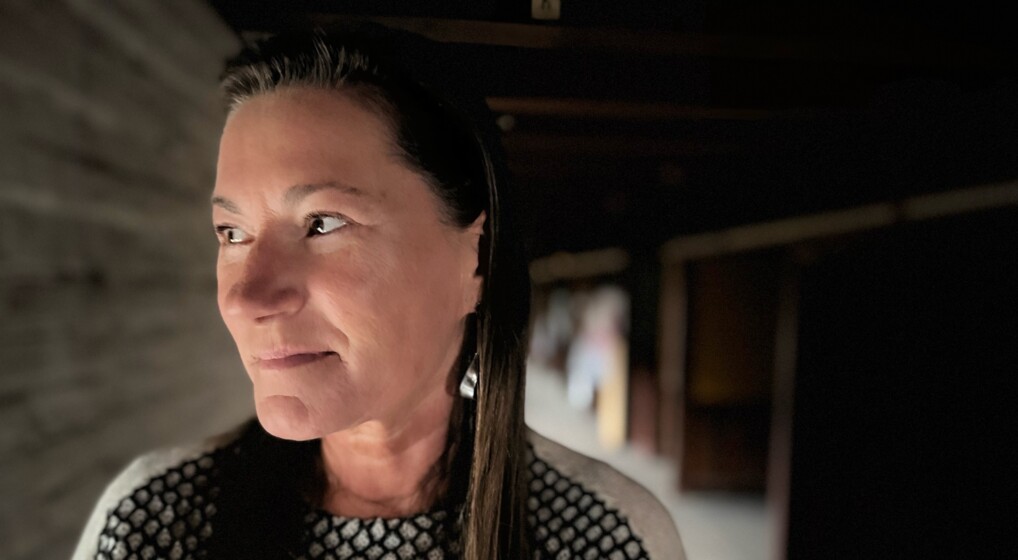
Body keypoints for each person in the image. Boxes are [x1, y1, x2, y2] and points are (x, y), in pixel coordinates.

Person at [72, 27, 683, 560]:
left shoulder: (605, 538)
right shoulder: (151, 525)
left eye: (322, 223)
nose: (245, 298)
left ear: (475, 260)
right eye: (232, 233)